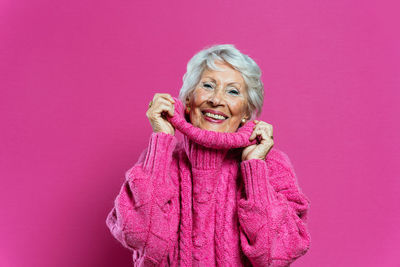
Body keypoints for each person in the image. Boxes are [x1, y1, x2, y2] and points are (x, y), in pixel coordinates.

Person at [106, 44, 311, 266]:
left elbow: (273, 256)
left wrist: (254, 168)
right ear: (187, 100)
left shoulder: (271, 164)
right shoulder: (159, 158)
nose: (216, 99)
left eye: (232, 91)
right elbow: (143, 239)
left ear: (245, 113)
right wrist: (161, 138)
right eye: (208, 85)